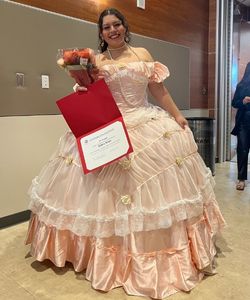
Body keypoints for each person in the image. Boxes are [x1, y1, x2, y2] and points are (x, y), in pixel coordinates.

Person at [25, 8, 226, 299]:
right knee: (98, 191)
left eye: (116, 24)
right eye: (106, 27)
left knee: (152, 189)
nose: (112, 30)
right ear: (101, 33)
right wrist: (83, 86)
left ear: (124, 26)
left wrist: (178, 116)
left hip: (146, 123)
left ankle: (149, 253)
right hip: (109, 126)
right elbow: (91, 91)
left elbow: (159, 91)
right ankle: (97, 253)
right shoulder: (95, 61)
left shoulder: (143, 54)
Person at [231, 62, 250, 191]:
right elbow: (234, 103)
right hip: (244, 122)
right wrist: (243, 101)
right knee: (242, 150)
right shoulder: (241, 86)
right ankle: (241, 179)